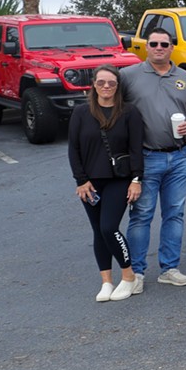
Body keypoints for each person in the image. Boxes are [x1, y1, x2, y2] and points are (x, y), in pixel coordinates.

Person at [120, 28, 186, 293]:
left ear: (171, 47)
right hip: (145, 158)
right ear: (147, 47)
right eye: (153, 43)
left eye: (163, 44)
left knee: (174, 214)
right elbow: (112, 108)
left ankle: (170, 268)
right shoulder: (128, 76)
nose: (158, 48)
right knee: (141, 215)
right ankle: (137, 273)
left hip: (178, 157)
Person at [68, 66, 144, 301]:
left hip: (119, 181)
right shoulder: (81, 112)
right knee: (98, 233)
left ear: (118, 86)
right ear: (93, 84)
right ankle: (106, 282)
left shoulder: (129, 112)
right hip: (90, 183)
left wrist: (136, 180)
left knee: (108, 228)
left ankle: (129, 276)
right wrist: (81, 181)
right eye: (101, 82)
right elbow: (74, 149)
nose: (106, 87)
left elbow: (136, 149)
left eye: (111, 82)